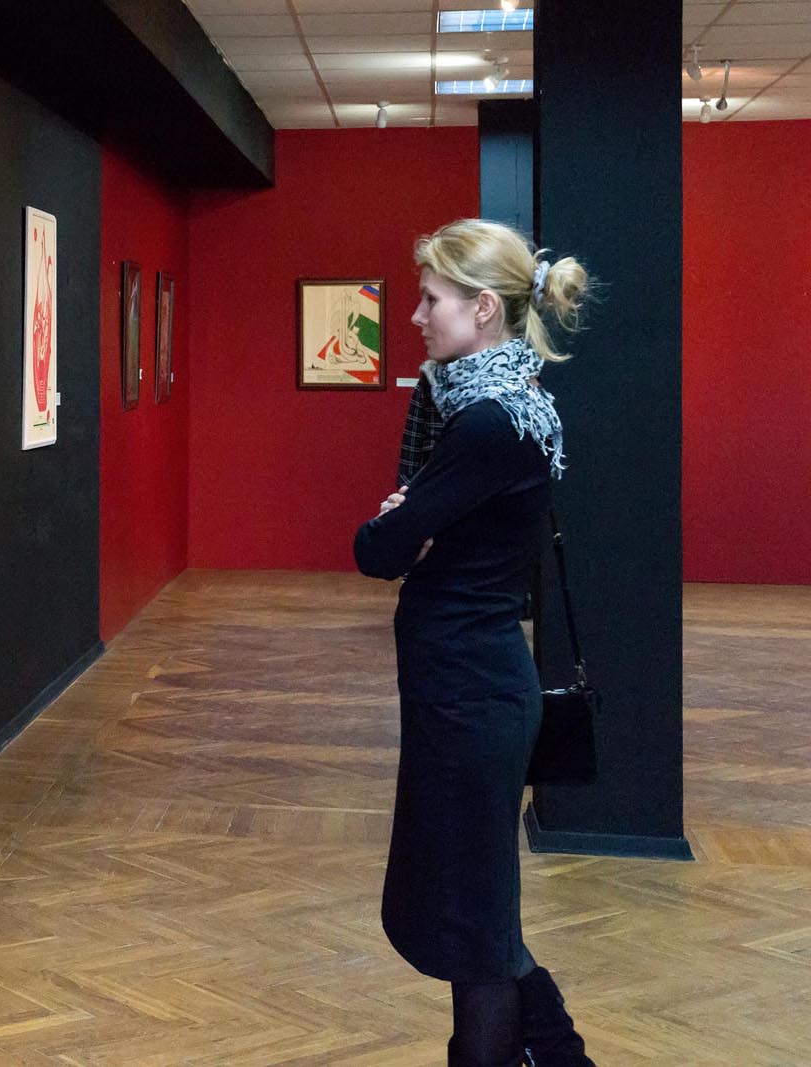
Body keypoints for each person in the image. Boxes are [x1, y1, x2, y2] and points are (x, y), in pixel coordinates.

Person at [352, 219, 595, 1067]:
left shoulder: (488, 423)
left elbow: (377, 548)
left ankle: (549, 1054)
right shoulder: (505, 406)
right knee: (475, 918)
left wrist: (402, 521)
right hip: (469, 691)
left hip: (470, 699)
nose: (416, 315)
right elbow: (409, 531)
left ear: (484, 308)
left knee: (479, 930)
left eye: (431, 299)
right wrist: (411, 520)